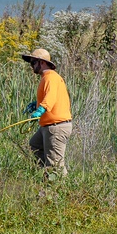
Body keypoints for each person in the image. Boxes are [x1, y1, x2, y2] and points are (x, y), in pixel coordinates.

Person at [20, 48, 73, 176]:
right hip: (49, 126)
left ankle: (58, 187)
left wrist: (40, 110)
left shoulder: (51, 78)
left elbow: (50, 97)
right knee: (35, 145)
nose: (31, 66)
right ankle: (48, 175)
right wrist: (36, 104)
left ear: (42, 63)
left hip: (56, 127)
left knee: (55, 165)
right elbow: (50, 97)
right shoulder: (47, 78)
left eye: (33, 63)